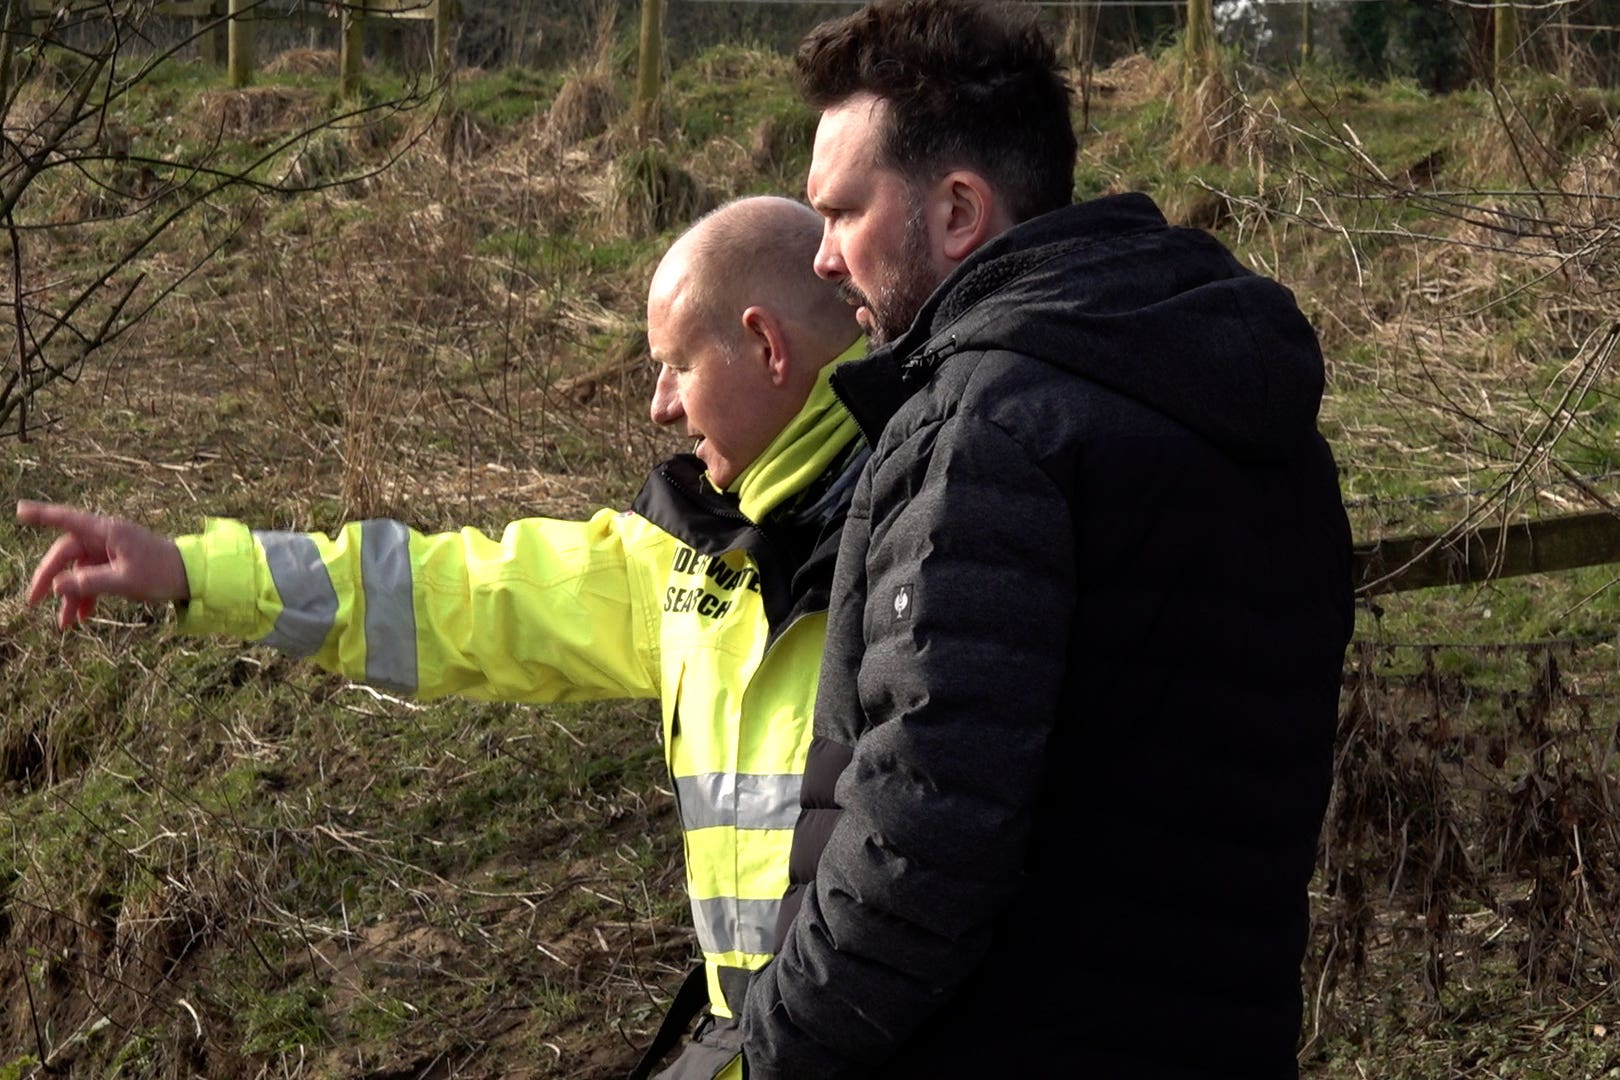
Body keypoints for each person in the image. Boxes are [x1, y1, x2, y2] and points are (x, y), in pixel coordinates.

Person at [18, 195, 864, 1080]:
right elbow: (444, 595)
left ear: (768, 348)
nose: (658, 407)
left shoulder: (921, 555)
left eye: (676, 365)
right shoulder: (686, 560)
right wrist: (195, 571)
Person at [737, 3, 1355, 1078]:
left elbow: (916, 846)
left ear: (959, 211)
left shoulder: (986, 430)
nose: (824, 260)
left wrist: (773, 1047)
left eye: (839, 214)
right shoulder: (1238, 408)